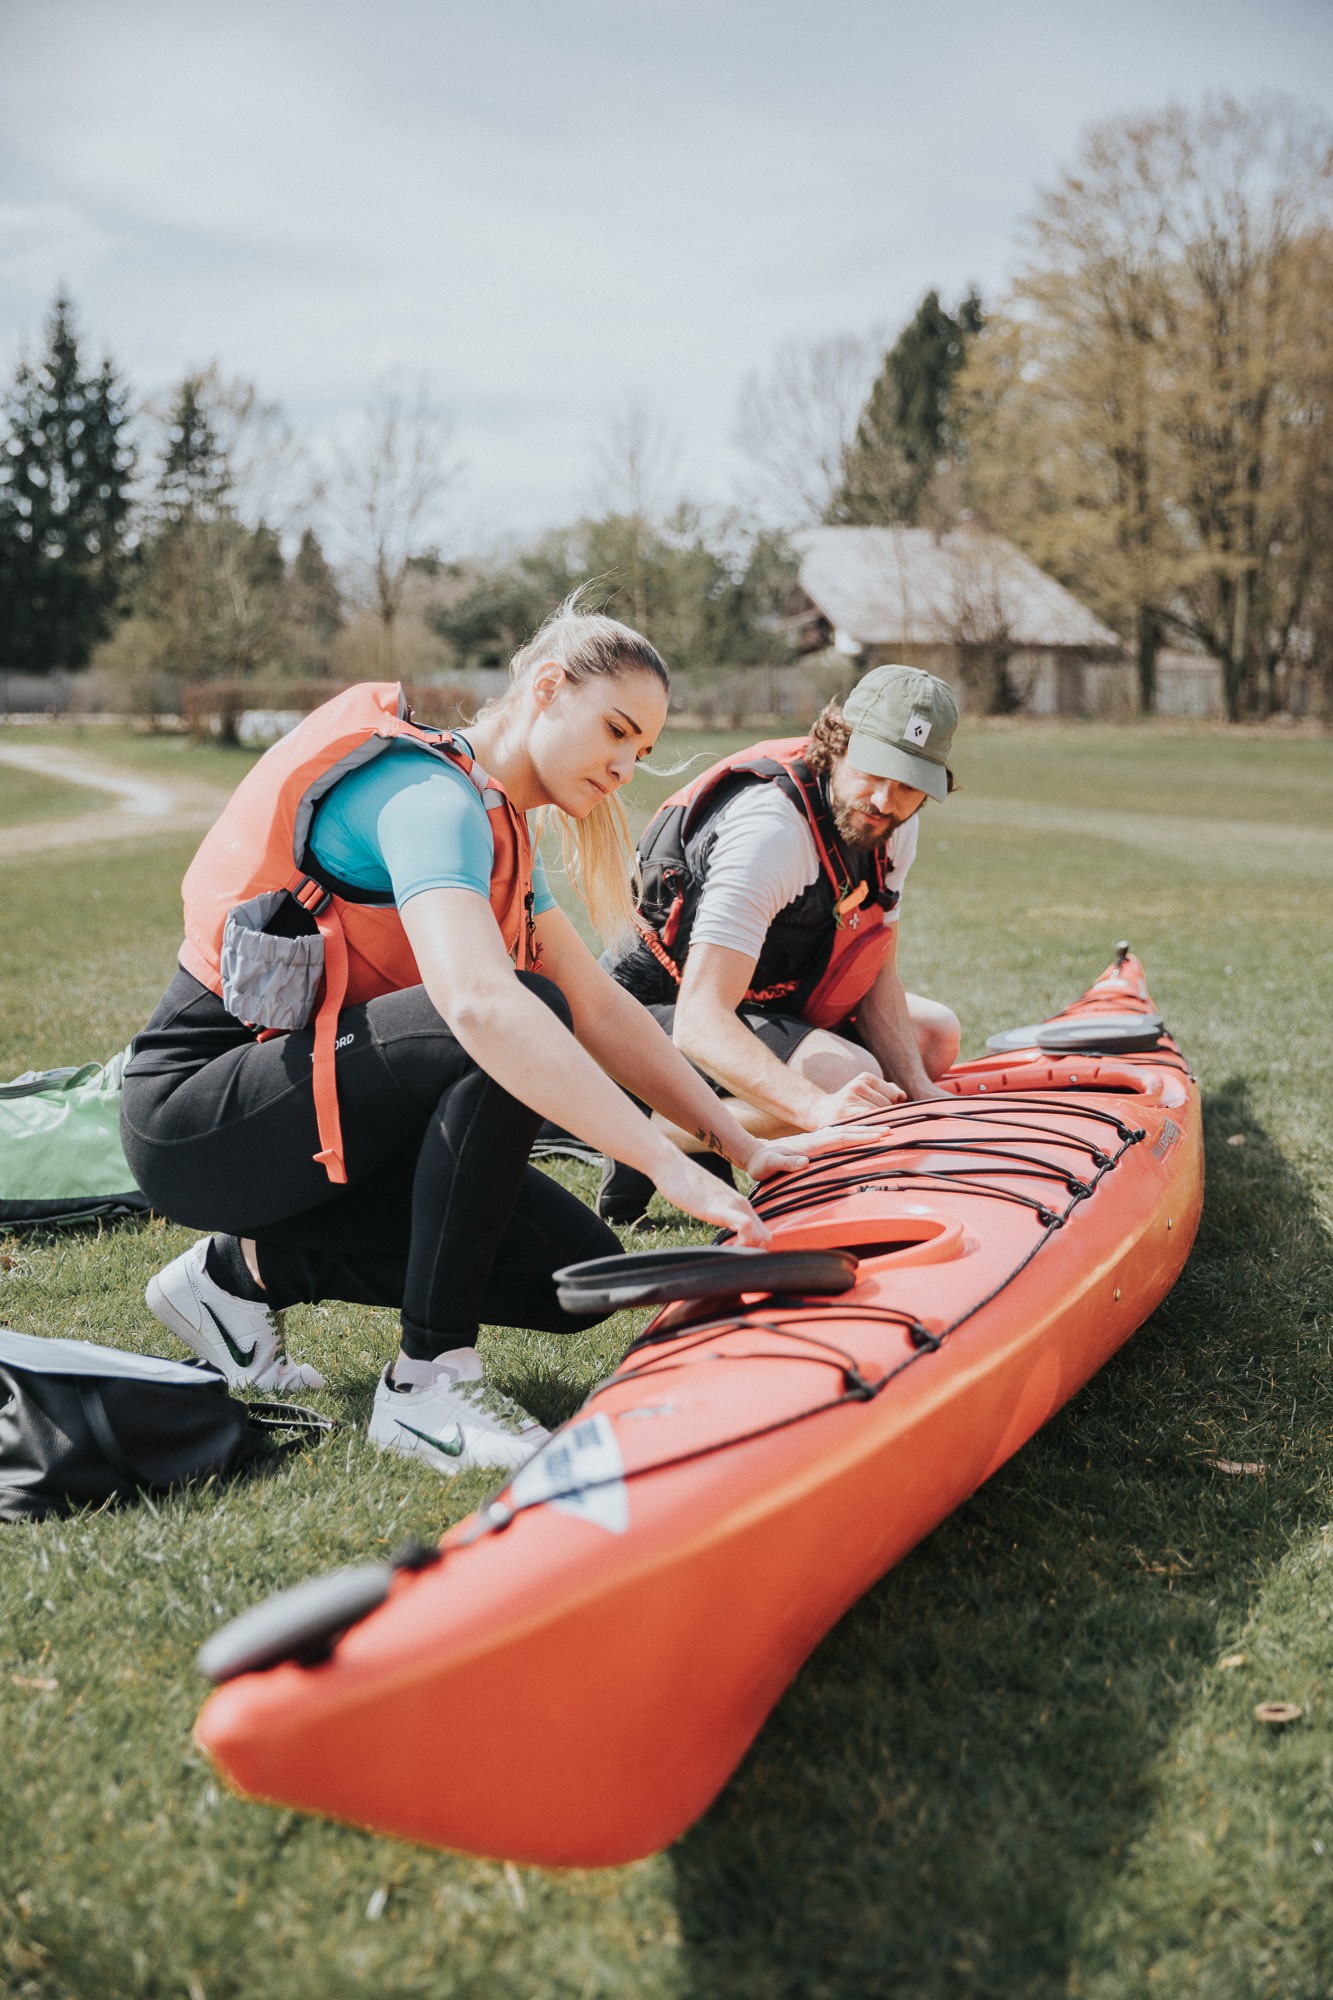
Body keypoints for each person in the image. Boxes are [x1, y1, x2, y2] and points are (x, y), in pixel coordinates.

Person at [120, 605, 843, 1478]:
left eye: (641, 750)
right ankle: (426, 1385)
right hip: (197, 1117)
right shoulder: (429, 798)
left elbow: (604, 1010)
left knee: (573, 1278)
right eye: (615, 730)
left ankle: (237, 1277)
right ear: (546, 689)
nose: (623, 766)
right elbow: (479, 1007)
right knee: (509, 1012)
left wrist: (738, 1143)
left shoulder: (501, 825)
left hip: (310, 1111)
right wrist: (665, 1162)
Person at [596, 663, 962, 1222]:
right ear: (837, 743)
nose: (885, 799)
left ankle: (706, 1117)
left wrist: (918, 1087)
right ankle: (644, 1129)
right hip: (645, 1009)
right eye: (874, 770)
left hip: (753, 994)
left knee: (934, 1037)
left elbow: (873, 961)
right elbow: (700, 1020)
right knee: (847, 1081)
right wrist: (820, 1109)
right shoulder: (771, 831)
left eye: (910, 783)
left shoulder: (890, 822)